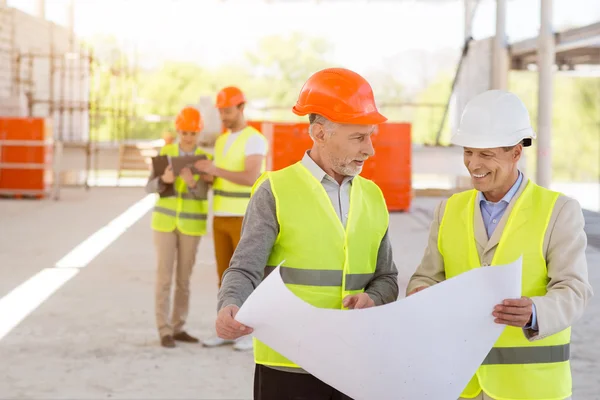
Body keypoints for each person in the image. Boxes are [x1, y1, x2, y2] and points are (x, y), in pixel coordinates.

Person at [214, 67, 399, 400]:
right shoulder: (276, 189)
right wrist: (230, 304)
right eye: (358, 137)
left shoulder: (373, 196)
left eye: (371, 135)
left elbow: (387, 278)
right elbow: (245, 268)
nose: (369, 149)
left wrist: (375, 297)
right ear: (319, 133)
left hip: (353, 362)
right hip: (287, 364)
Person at [406, 90, 593, 400]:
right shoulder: (448, 210)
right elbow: (427, 276)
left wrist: (535, 311)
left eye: (486, 154)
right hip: (461, 384)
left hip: (531, 389)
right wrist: (421, 293)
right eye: (468, 152)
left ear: (516, 153)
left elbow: (575, 291)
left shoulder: (558, 211)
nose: (473, 164)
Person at [194, 86, 268, 351]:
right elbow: (219, 177)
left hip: (244, 218)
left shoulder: (254, 139)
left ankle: (248, 332)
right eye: (220, 111)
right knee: (224, 277)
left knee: (246, 277)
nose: (223, 116)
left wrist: (215, 169)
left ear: (241, 108)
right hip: (221, 217)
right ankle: (226, 329)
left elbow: (249, 177)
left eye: (227, 110)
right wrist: (203, 173)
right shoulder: (221, 141)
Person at [146, 106, 213, 348]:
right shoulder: (166, 152)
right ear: (178, 130)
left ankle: (178, 327)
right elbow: (149, 187)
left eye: (192, 133)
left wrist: (191, 183)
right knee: (164, 278)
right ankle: (164, 330)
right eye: (184, 132)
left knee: (184, 280)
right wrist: (164, 181)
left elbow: (205, 193)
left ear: (199, 133)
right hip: (165, 224)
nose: (188, 137)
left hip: (191, 226)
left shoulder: (205, 160)